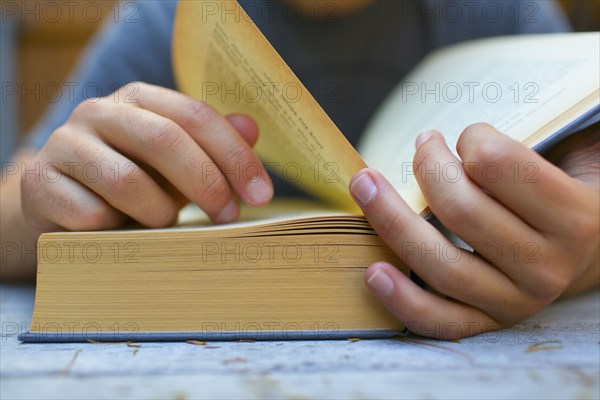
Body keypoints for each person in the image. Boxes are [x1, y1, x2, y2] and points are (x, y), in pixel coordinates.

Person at [1, 0, 598, 339]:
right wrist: (43, 203)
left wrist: (577, 257)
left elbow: (586, 198)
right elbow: (13, 201)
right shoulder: (170, 17)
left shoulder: (503, 13)